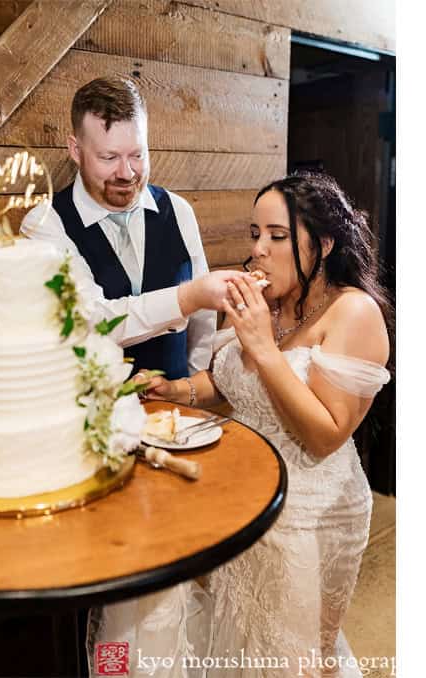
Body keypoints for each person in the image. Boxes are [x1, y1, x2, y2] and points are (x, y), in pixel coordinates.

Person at [92, 172, 392, 677]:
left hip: (314, 513)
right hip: (248, 501)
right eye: (255, 234)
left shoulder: (354, 312)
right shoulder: (268, 304)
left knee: (294, 657)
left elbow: (325, 434)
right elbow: (230, 383)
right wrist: (179, 390)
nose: (259, 250)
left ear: (322, 244)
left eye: (277, 236)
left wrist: (262, 346)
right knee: (241, 643)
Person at [21, 75, 253, 381]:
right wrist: (186, 297)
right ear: (75, 150)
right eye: (109, 157)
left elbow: (203, 320)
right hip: (90, 417)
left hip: (176, 413)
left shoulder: (178, 210)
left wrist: (192, 386)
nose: (126, 172)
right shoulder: (45, 225)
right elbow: (90, 321)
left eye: (138, 154)